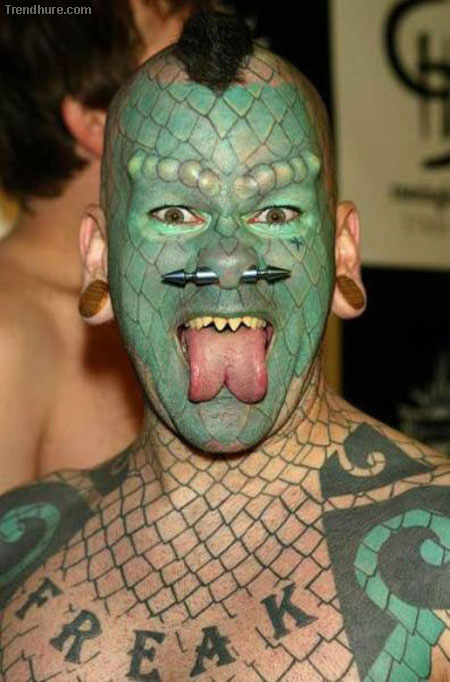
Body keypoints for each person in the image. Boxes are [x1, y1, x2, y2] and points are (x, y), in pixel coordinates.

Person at [2, 11, 450, 681]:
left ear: (342, 253)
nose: (229, 259)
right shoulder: (17, 552)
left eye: (276, 212)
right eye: (174, 213)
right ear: (98, 258)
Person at [0, 0, 199, 492]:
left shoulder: (195, 291)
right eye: (183, 65)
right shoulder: (9, 339)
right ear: (96, 121)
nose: (225, 92)